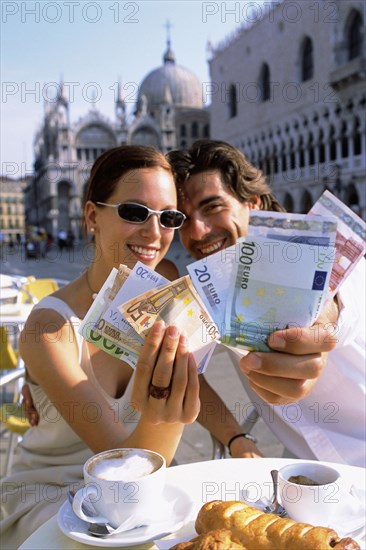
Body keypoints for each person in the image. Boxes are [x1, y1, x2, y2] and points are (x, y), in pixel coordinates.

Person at [0, 145, 200, 549]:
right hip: (53, 498)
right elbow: (125, 470)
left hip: (140, 499)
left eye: (169, 217)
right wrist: (171, 415)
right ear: (92, 216)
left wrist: (237, 440)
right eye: (134, 212)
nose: (154, 232)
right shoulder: (50, 325)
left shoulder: (169, 308)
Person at [167, 139, 365, 467]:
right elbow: (187, 368)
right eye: (183, 220)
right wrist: (236, 438)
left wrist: (319, 323)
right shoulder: (213, 291)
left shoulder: (325, 257)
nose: (198, 231)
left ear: (254, 204)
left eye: (213, 207)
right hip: (307, 473)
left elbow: (342, 300)